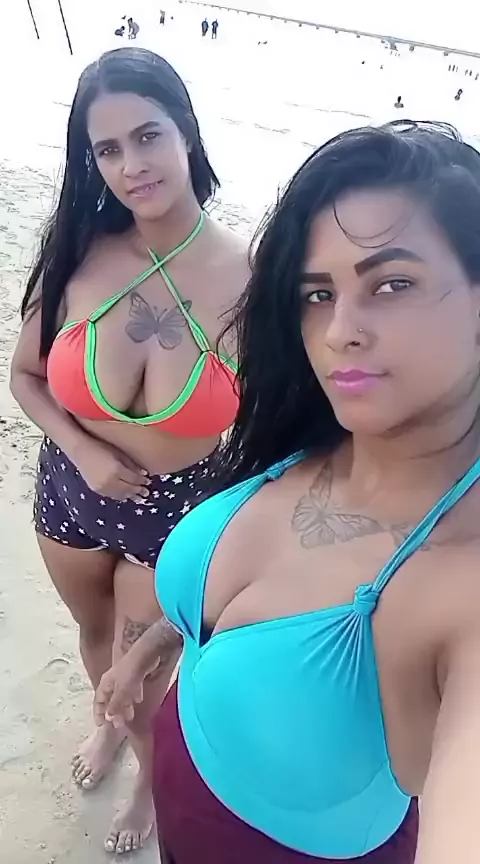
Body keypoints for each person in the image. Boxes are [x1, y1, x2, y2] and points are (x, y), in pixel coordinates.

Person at [96, 120, 480, 862]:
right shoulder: (311, 438)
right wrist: (150, 652)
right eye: (317, 293)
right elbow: (231, 619)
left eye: (393, 284)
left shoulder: (461, 577)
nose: (339, 331)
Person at [10, 46, 248, 855]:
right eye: (107, 149)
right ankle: (107, 727)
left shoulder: (253, 278)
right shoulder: (78, 248)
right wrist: (81, 451)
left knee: (142, 674)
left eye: (147, 137)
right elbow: (25, 376)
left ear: (186, 131)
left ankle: (147, 774)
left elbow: (277, 427)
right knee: (93, 633)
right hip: (69, 492)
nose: (130, 165)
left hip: (175, 513)